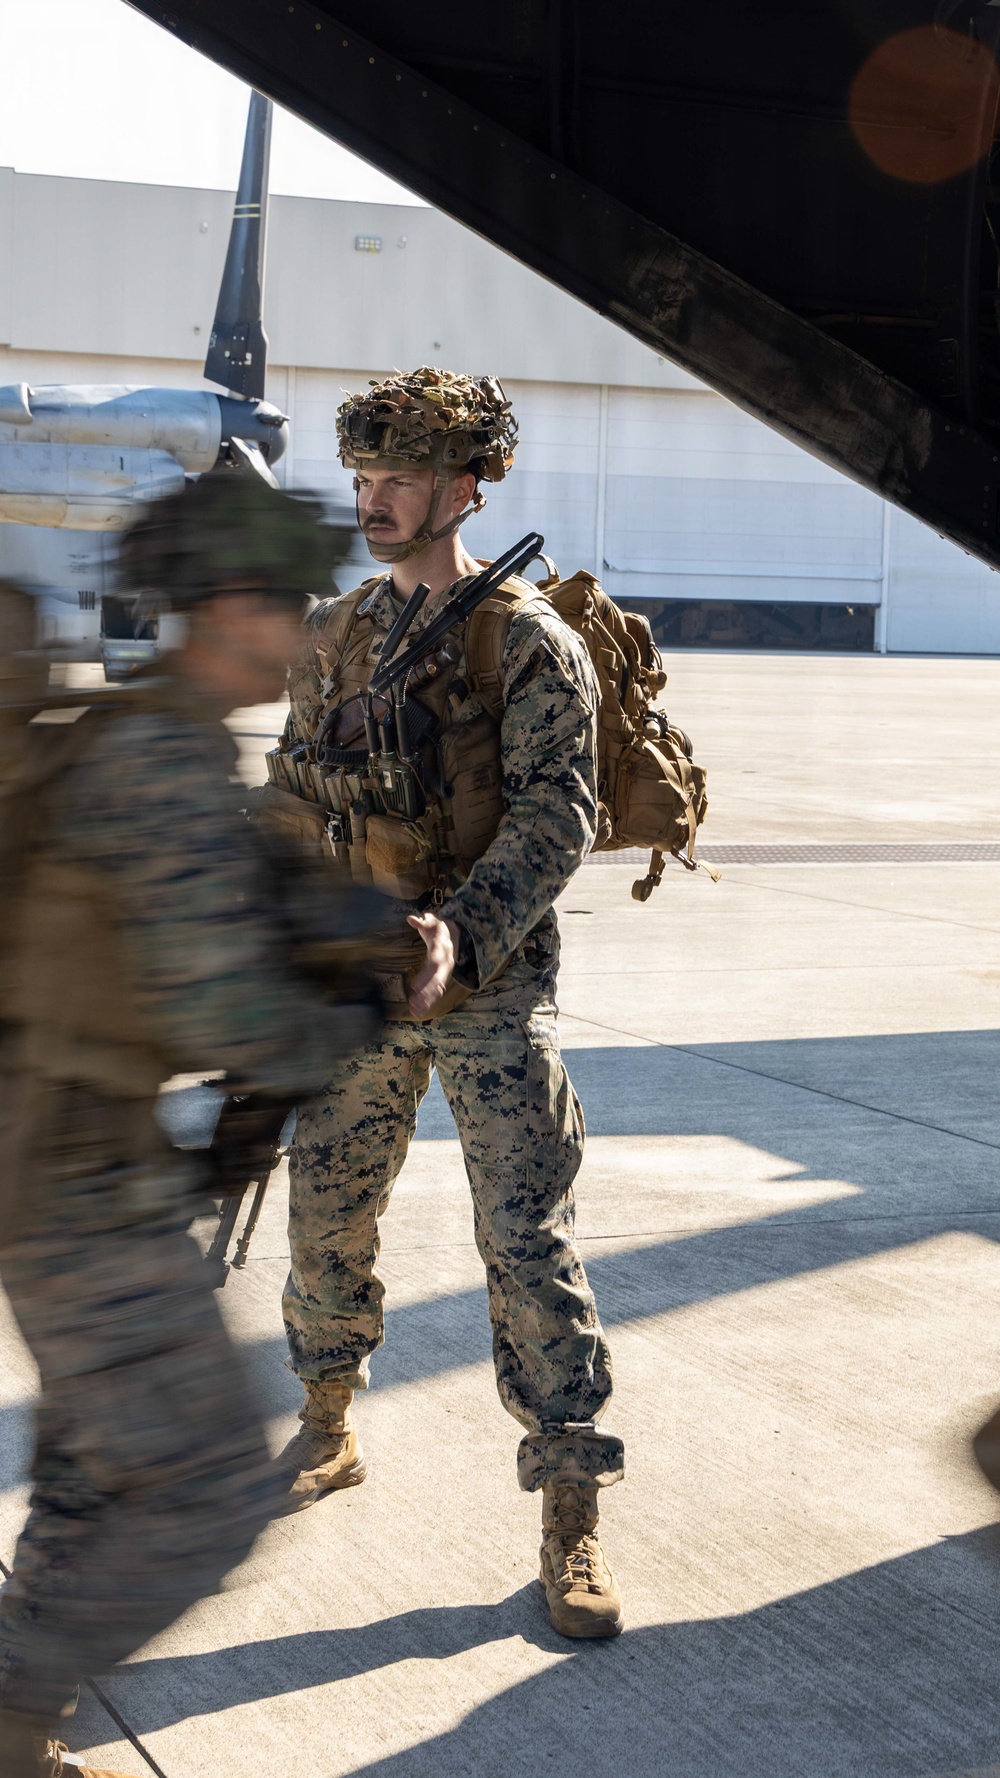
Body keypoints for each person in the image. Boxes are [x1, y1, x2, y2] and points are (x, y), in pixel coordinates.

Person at [0, 475, 382, 1776]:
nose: (301, 631)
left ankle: (22, 1728)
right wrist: (352, 1019)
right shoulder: (158, 757)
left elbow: (238, 911)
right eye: (285, 604)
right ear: (226, 607)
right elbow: (218, 999)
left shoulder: (156, 741)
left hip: (70, 1158)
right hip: (70, 1179)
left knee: (96, 1473)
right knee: (212, 1489)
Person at [273, 368, 625, 1639]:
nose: (374, 501)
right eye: (363, 478)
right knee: (326, 1203)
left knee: (526, 1238)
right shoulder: (334, 631)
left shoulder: (529, 640)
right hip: (358, 985)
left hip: (482, 992)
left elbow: (557, 814)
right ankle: (324, 1418)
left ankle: (571, 1503)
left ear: (467, 485)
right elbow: (294, 789)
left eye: (402, 480)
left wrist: (458, 935)